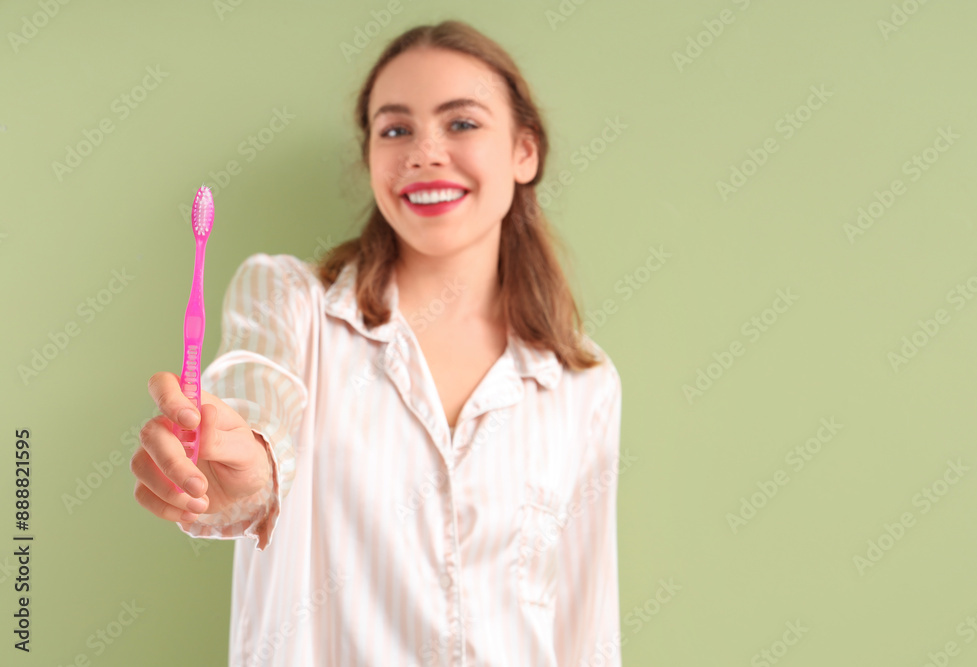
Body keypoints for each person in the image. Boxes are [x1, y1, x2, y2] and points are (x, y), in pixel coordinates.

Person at [131, 19, 623, 666]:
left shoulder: (583, 381)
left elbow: (586, 623)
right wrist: (243, 473)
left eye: (462, 123)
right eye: (395, 130)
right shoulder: (289, 302)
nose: (424, 151)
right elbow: (257, 408)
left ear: (523, 152)